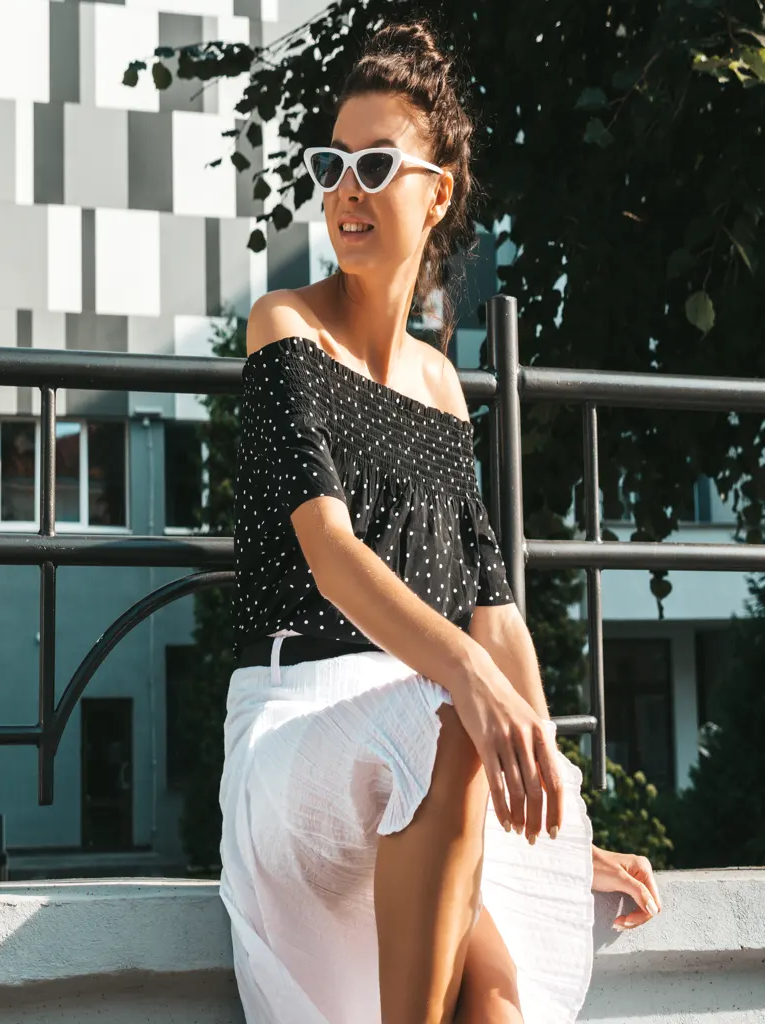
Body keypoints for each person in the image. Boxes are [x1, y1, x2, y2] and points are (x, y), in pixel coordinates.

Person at [218, 20, 663, 1024]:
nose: (346, 189)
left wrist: (557, 821)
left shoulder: (440, 384)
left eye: (376, 165)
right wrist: (465, 674)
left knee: (498, 997)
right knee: (450, 716)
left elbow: (493, 614)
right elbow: (330, 555)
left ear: (438, 192)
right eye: (332, 164)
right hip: (299, 737)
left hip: (430, 754)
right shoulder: (283, 324)